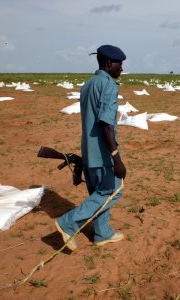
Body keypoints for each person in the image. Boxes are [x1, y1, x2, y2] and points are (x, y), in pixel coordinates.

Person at [55, 44, 127, 251]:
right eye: (119, 64)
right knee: (113, 191)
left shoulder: (88, 84)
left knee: (98, 192)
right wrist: (116, 157)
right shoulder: (108, 86)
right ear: (108, 63)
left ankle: (102, 233)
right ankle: (68, 222)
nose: (121, 68)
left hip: (89, 151)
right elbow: (106, 124)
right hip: (103, 153)